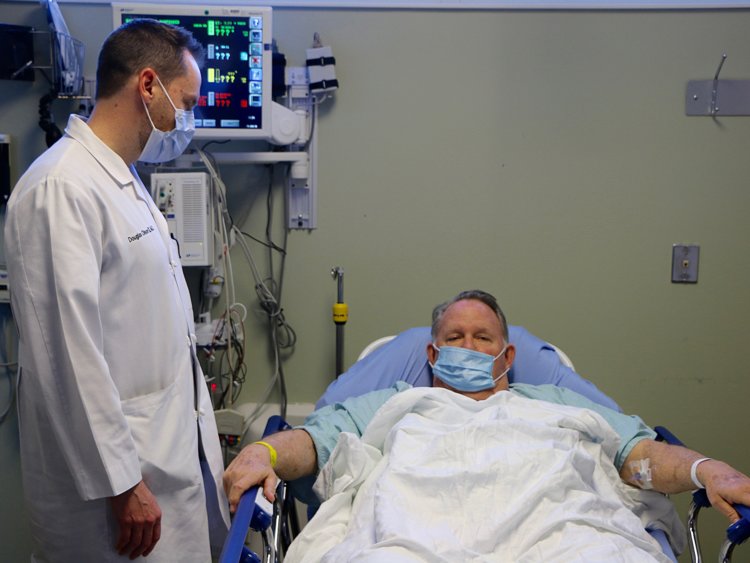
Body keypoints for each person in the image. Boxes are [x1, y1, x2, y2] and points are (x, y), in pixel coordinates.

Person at [224, 290, 750, 559]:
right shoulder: (394, 404)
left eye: (483, 338)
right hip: (411, 536)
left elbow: (638, 455)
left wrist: (708, 470)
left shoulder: (556, 402)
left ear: (508, 355)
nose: (469, 347)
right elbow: (315, 442)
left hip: (562, 533)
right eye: (455, 338)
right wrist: (262, 453)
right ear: (432, 354)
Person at [4, 19, 228, 562]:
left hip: (161, 459)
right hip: (114, 494)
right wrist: (122, 482)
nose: (186, 120)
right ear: (147, 85)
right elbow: (67, 354)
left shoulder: (124, 181)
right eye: (185, 103)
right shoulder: (60, 187)